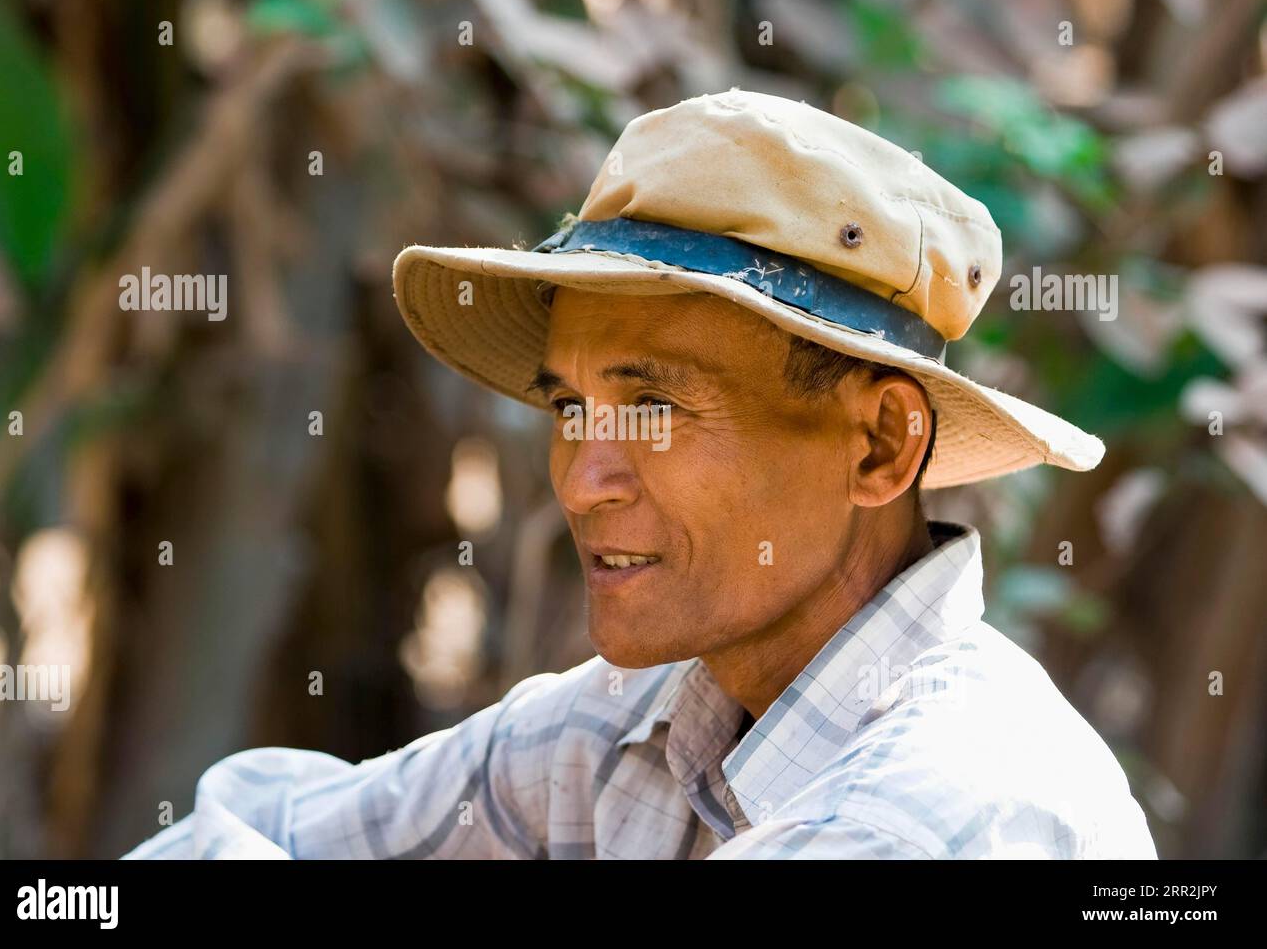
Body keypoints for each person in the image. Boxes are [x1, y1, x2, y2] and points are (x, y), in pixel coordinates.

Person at [125, 89, 1156, 859]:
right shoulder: (635, 727)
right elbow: (253, 830)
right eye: (571, 407)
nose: (579, 483)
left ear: (878, 445)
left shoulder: (946, 811)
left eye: (654, 407)